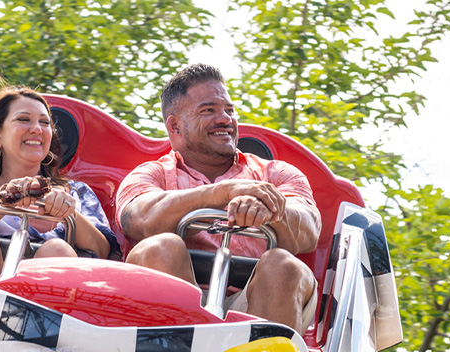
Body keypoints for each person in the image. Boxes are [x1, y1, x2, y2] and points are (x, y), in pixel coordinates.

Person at [117, 64, 321, 331]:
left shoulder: (276, 174)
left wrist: (267, 209)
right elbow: (138, 218)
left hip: (255, 301)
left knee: (283, 265)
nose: (225, 119)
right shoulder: (151, 174)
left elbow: (309, 230)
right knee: (160, 247)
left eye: (229, 110)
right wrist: (222, 193)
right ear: (175, 126)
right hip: (178, 304)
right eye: (208, 110)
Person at [0, 86, 120, 281]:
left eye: (45, 123)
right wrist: (8, 199)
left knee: (57, 250)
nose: (36, 129)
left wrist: (65, 211)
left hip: (42, 295)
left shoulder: (76, 192)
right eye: (24, 119)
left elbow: (102, 251)